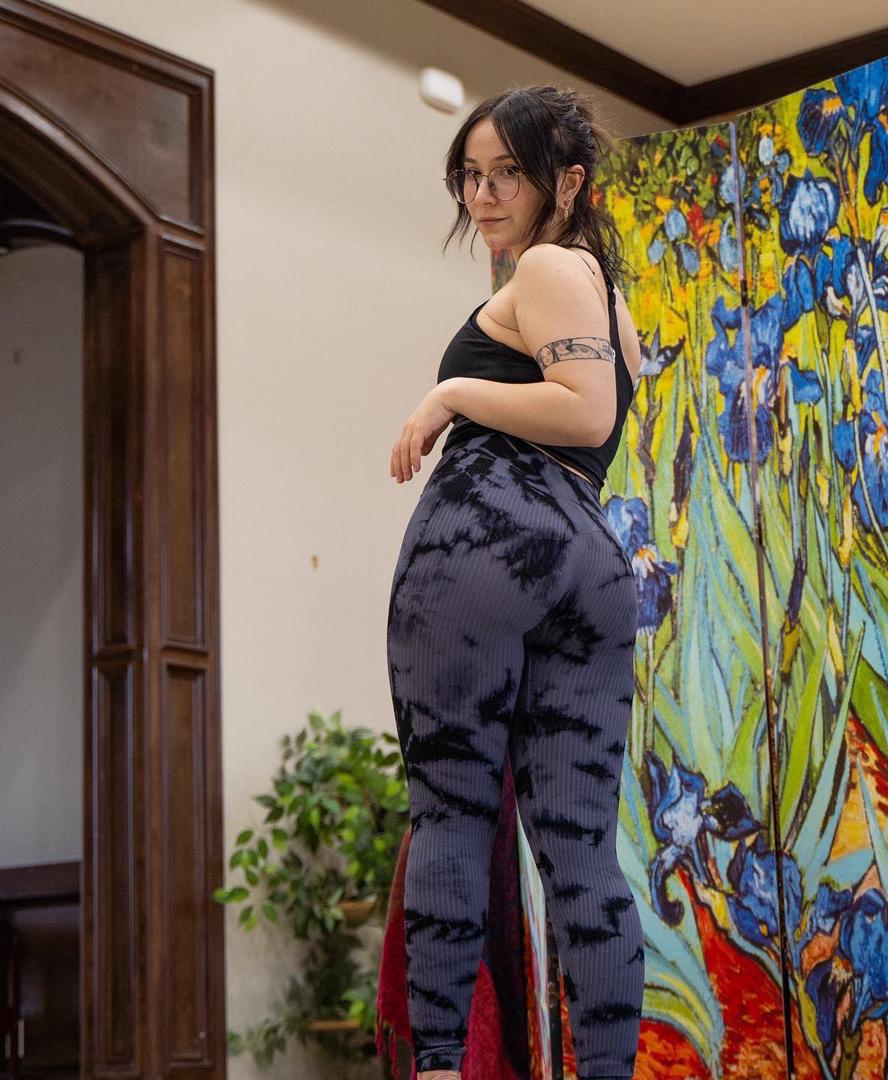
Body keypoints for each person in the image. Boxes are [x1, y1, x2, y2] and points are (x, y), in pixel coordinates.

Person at [385, 84, 644, 1080]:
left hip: (486, 539)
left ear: (566, 184)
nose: (483, 195)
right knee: (581, 853)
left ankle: (440, 1065)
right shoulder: (610, 299)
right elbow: (601, 419)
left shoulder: (546, 266)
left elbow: (583, 409)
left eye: (508, 174)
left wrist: (449, 392)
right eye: (471, 175)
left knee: (451, 815)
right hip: (588, 559)